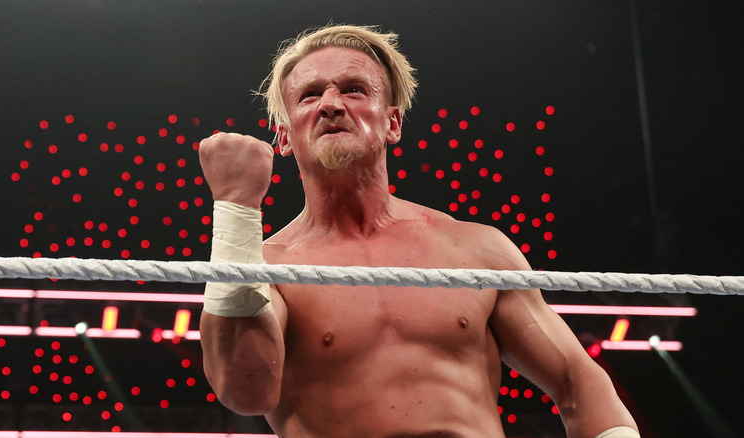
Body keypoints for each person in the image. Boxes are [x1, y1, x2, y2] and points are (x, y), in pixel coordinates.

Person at [197, 24, 640, 438]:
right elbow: (245, 390)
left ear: (392, 122)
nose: (331, 104)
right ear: (285, 136)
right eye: (310, 95)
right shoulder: (269, 269)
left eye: (353, 89)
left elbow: (580, 384)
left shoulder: (475, 250)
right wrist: (236, 208)